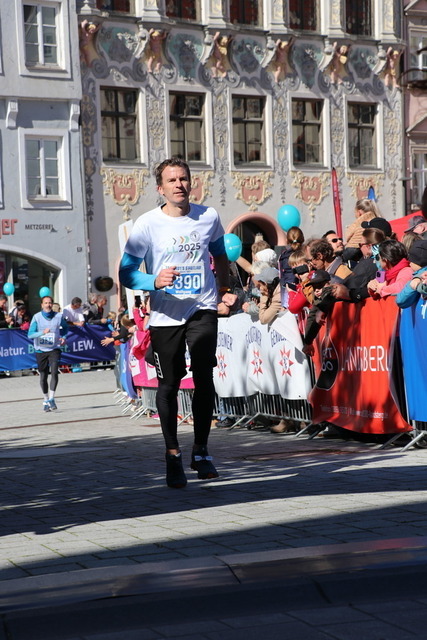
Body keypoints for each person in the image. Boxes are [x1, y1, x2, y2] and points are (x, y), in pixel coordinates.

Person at [119, 157, 229, 489]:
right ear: (161, 188)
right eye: (172, 180)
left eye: (183, 178)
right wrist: (154, 281)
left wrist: (224, 291)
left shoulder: (208, 216)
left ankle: (201, 451)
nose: (179, 184)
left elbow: (220, 254)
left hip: (201, 307)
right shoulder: (147, 224)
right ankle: (172, 454)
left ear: (191, 183)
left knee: (204, 377)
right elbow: (126, 273)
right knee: (169, 384)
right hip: (165, 315)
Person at [27, 296, 68, 412]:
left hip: (54, 349)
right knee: (43, 376)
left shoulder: (58, 316)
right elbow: (30, 334)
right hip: (40, 350)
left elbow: (65, 328)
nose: (48, 305)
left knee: (54, 372)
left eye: (50, 303)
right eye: (46, 303)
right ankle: (45, 399)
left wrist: (63, 337)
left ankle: (51, 398)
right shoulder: (37, 317)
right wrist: (42, 332)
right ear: (42, 305)